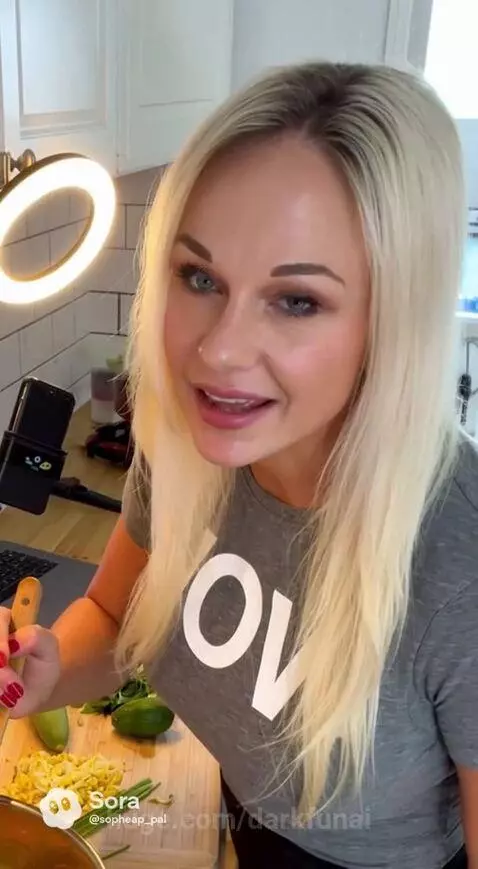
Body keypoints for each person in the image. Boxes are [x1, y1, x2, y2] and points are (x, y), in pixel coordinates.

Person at [0, 61, 477, 869]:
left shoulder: (455, 565)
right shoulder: (191, 448)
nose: (217, 352)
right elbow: (118, 620)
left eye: (297, 300)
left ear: (388, 318)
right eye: (199, 277)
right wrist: (40, 674)